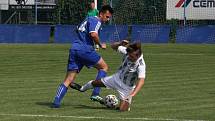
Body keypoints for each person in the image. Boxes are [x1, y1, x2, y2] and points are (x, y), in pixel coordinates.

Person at [52, 5, 114, 108]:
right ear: (101, 14)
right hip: (85, 49)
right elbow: (93, 34)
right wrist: (100, 44)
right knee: (104, 67)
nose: (107, 19)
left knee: (68, 79)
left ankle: (55, 103)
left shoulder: (87, 19)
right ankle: (95, 94)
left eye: (109, 18)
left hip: (74, 49)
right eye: (107, 17)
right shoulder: (96, 21)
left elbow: (77, 29)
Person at [71, 41, 146, 111]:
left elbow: (141, 81)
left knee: (123, 110)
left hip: (126, 88)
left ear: (138, 55)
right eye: (129, 55)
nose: (129, 57)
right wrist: (120, 43)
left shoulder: (141, 65)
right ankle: (82, 88)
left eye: (132, 57)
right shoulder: (128, 51)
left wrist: (132, 94)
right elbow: (113, 46)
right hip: (116, 78)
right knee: (95, 83)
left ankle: (120, 105)